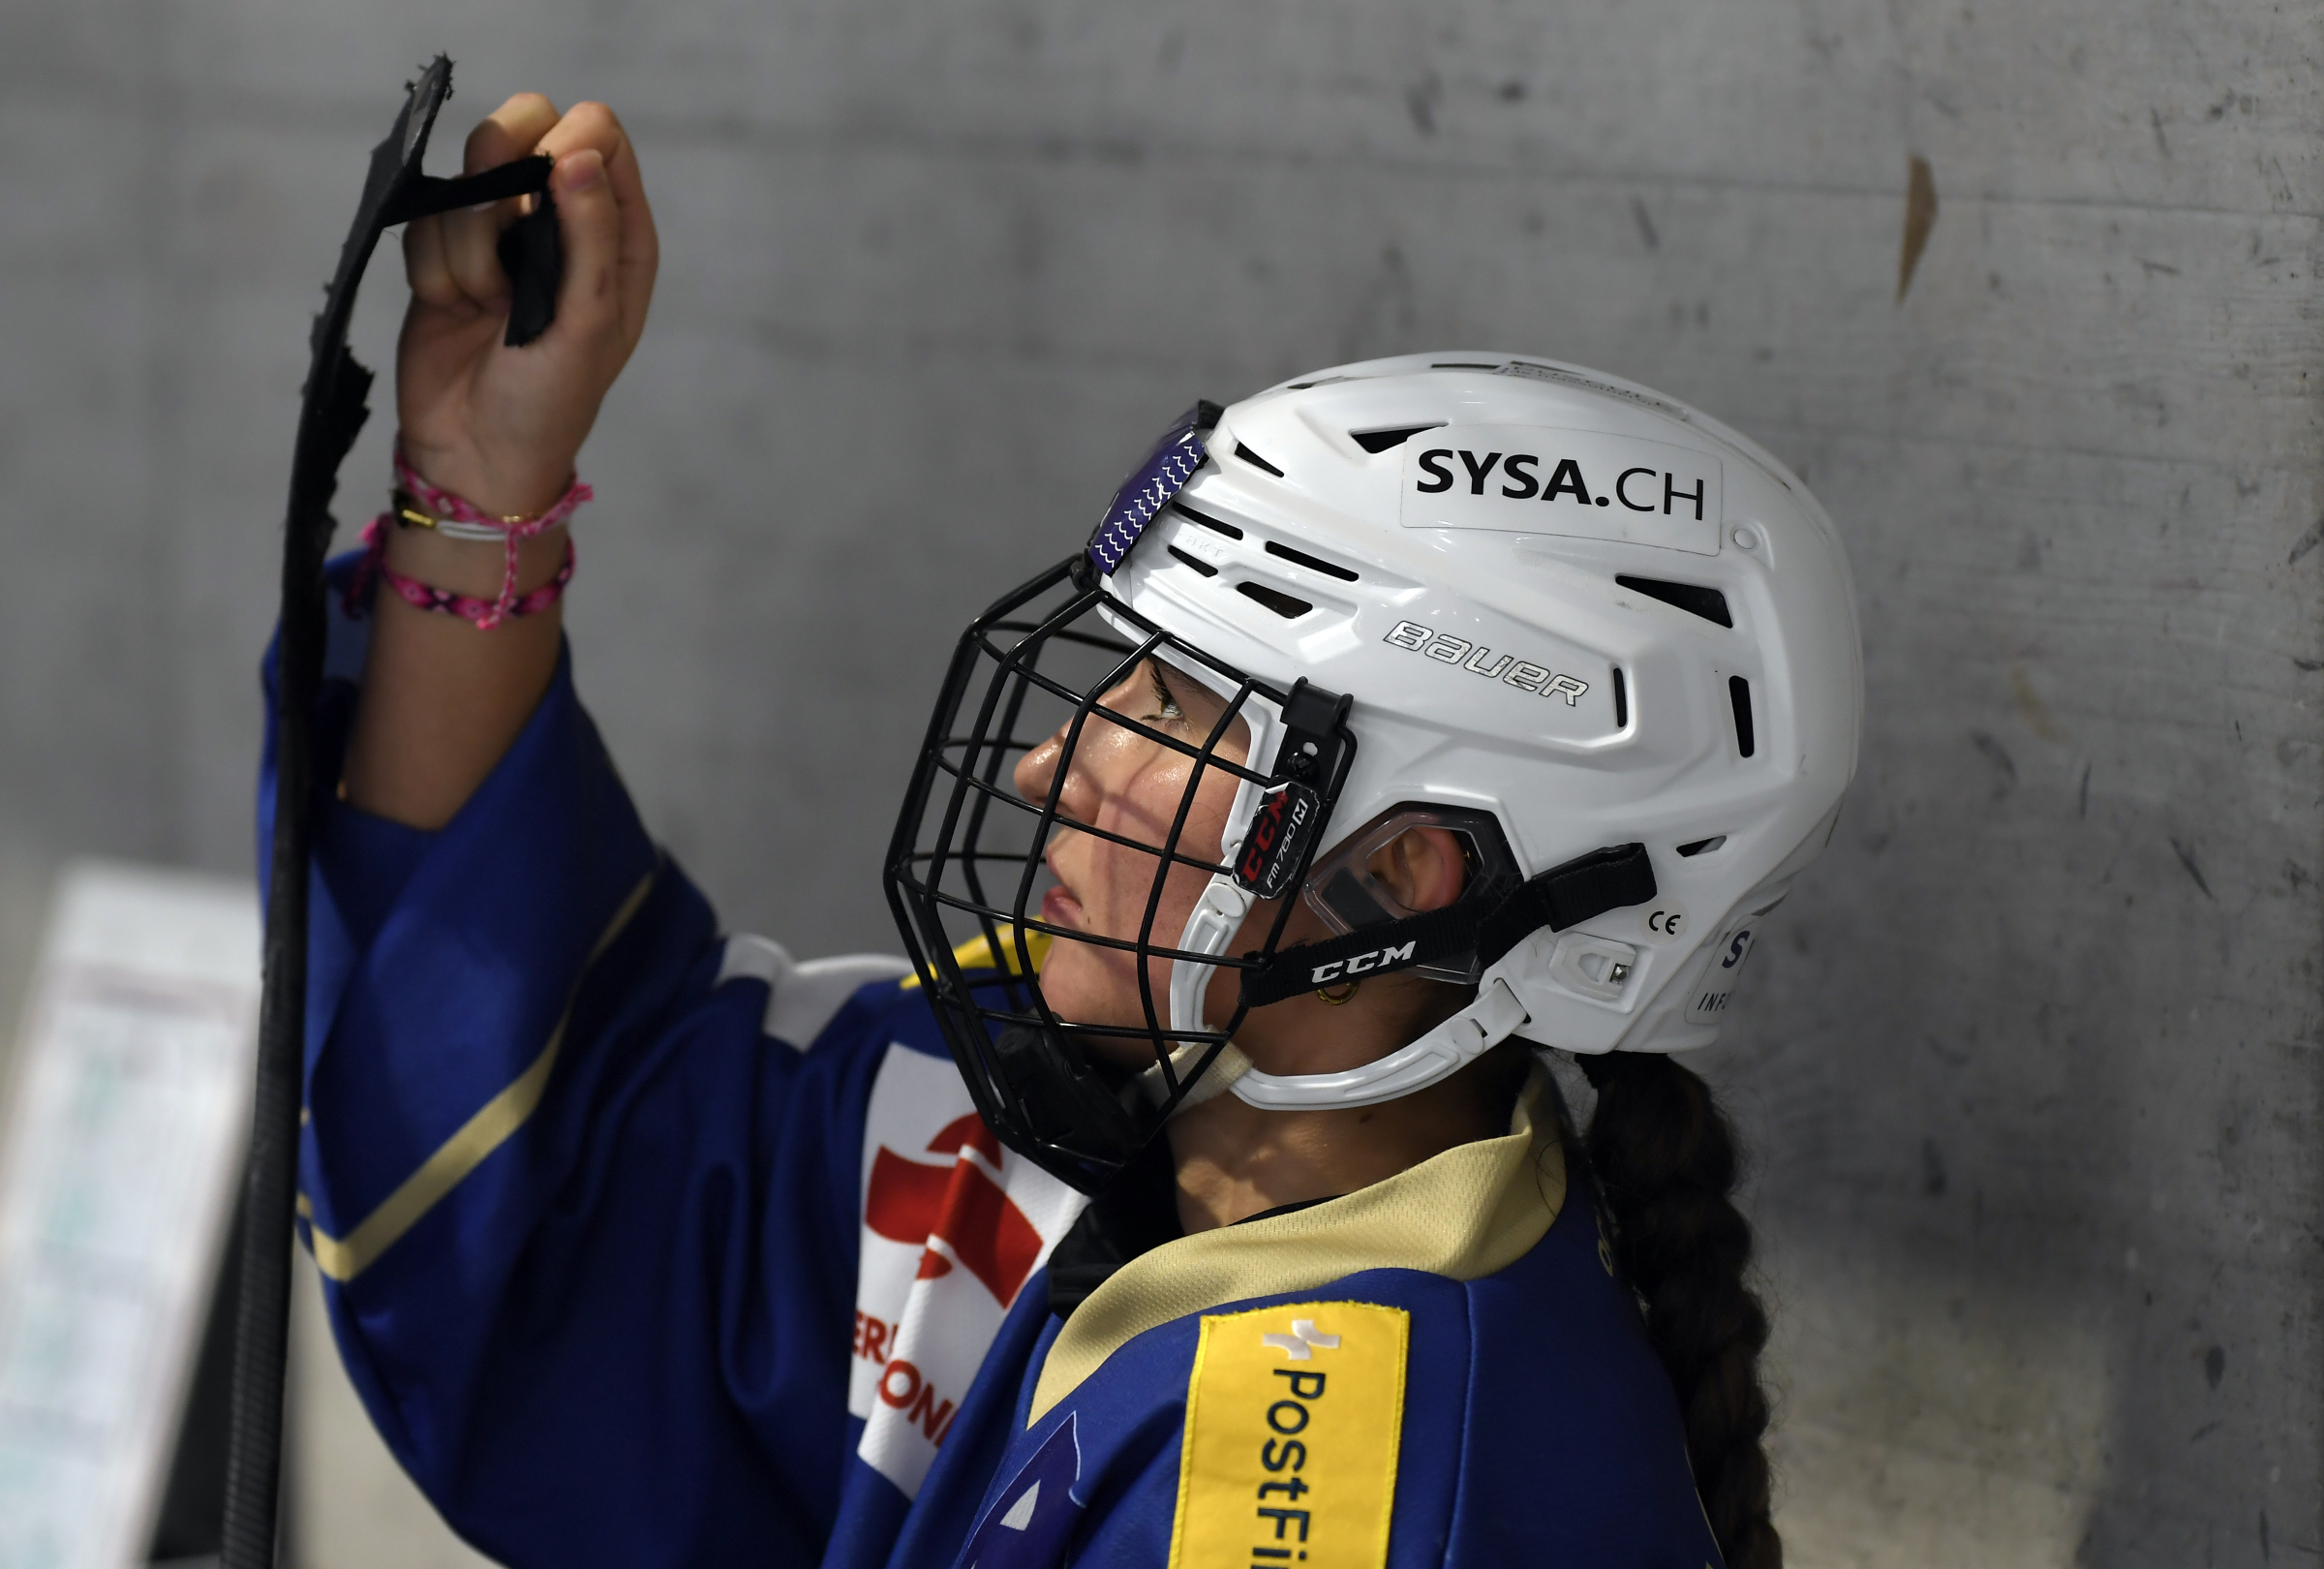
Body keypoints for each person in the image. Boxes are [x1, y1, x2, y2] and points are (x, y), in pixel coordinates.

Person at [267, 92, 1860, 1569]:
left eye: (1171, 714)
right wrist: (482, 485)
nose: (1048, 766)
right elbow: (587, 1175)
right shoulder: (1111, 1133)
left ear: (1405, 874)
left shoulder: (1342, 1497)